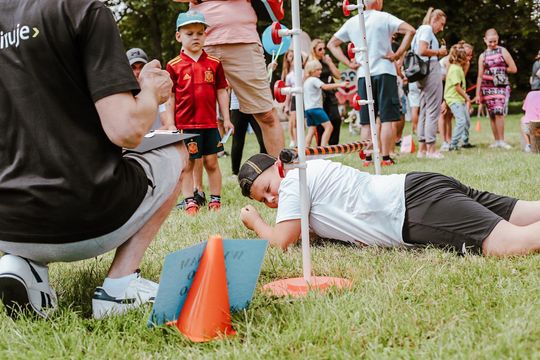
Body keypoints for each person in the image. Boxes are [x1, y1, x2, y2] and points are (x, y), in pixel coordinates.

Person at [0, 0, 186, 319]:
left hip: (10, 226)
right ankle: (120, 286)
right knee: (175, 149)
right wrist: (151, 91)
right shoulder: (84, 10)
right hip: (89, 219)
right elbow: (125, 130)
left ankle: (23, 267)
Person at [237, 154, 540, 257]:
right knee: (523, 211)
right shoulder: (311, 170)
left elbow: (280, 242)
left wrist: (255, 222)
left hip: (412, 208)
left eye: (267, 189)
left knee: (510, 243)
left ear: (279, 167)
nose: (271, 200)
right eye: (263, 202)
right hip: (418, 186)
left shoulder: (293, 181)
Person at [173, 0, 284, 157]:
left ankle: (283, 178)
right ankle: (192, 182)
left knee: (266, 114)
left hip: (243, 40)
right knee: (190, 119)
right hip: (200, 41)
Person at [328, 0, 415, 166]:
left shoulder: (352, 21)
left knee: (367, 120)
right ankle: (385, 157)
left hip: (363, 73)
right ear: (377, 2)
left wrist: (349, 63)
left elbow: (332, 44)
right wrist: (398, 54)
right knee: (387, 118)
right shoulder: (384, 17)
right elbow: (411, 30)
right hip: (385, 71)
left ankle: (368, 158)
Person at [165, 11, 233, 214]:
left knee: (212, 162)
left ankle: (215, 200)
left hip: (210, 124)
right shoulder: (173, 66)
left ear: (205, 35)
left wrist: (227, 118)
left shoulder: (214, 63)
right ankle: (190, 201)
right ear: (179, 36)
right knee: (187, 164)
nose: (195, 37)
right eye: (189, 33)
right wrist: (170, 123)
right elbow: (170, 97)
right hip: (185, 126)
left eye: (200, 33)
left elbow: (222, 90)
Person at [412, 8, 448, 159]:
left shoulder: (420, 30)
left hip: (421, 73)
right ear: (435, 20)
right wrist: (440, 52)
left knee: (425, 110)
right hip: (430, 69)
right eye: (441, 23)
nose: (442, 28)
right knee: (433, 110)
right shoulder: (427, 29)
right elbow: (422, 50)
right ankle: (431, 149)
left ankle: (422, 149)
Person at [475, 28, 517, 149]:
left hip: (501, 87)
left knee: (499, 112)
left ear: (498, 38)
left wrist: (499, 71)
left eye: (495, 41)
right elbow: (479, 76)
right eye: (490, 42)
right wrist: (478, 94)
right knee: (492, 114)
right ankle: (496, 141)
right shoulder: (482, 56)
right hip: (487, 88)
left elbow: (513, 69)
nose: (493, 44)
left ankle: (502, 141)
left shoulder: (502, 51)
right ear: (485, 40)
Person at [303, 60, 348, 147]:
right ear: (312, 71)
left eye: (320, 69)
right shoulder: (314, 80)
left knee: (311, 130)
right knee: (329, 127)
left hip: (308, 110)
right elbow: (325, 87)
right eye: (318, 70)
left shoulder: (306, 81)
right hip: (316, 109)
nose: (320, 71)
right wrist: (340, 85)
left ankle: (305, 149)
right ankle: (323, 148)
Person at [127, 47, 171, 131]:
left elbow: (167, 124)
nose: (138, 72)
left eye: (141, 67)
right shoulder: (122, 95)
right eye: (133, 67)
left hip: (155, 140)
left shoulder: (158, 90)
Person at [309, 39, 343, 145]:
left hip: (330, 95)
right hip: (318, 96)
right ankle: (320, 147)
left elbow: (338, 75)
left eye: (324, 48)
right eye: (320, 49)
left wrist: (330, 62)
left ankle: (334, 145)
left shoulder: (326, 61)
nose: (323, 51)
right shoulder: (311, 63)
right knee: (320, 123)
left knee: (336, 119)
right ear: (314, 50)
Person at [230, 90, 267, 176]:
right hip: (237, 106)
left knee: (263, 139)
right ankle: (235, 172)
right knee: (237, 142)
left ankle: (263, 168)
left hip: (256, 105)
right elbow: (228, 84)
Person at [444, 45, 473, 151]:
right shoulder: (455, 69)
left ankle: (464, 141)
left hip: (459, 99)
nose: (469, 58)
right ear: (462, 58)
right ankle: (453, 144)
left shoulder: (459, 68)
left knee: (466, 121)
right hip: (454, 99)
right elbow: (457, 87)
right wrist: (467, 97)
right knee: (461, 121)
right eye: (467, 56)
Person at [282, 50, 298, 147]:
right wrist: (285, 104)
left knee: (297, 122)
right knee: (292, 121)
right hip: (290, 98)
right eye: (290, 56)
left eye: (294, 56)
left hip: (299, 98)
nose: (292, 58)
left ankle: (297, 140)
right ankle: (293, 140)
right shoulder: (287, 73)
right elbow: (285, 89)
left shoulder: (301, 70)